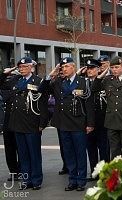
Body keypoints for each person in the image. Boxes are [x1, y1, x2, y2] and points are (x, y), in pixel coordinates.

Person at [39, 57, 95, 191]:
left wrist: (90, 123)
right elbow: (42, 90)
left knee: (80, 153)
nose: (64, 69)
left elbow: (88, 104)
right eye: (62, 67)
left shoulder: (83, 81)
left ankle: (81, 181)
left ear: (73, 67)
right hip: (63, 123)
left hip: (78, 122)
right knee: (69, 153)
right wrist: (50, 76)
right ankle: (72, 180)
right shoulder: (58, 81)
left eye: (66, 67)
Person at [0, 57, 49, 190]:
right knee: (23, 155)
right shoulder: (15, 80)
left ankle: (36, 180)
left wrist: (42, 123)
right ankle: (26, 180)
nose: (22, 69)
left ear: (31, 68)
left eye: (24, 67)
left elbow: (43, 104)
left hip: (32, 123)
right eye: (20, 67)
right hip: (17, 123)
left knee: (34, 154)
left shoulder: (39, 81)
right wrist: (7, 73)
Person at [83, 59, 110, 180]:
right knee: (91, 149)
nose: (89, 70)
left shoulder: (104, 82)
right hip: (88, 122)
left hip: (102, 122)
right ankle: (94, 172)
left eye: (92, 68)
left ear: (99, 69)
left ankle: (105, 173)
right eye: (88, 68)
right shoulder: (84, 83)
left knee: (104, 149)